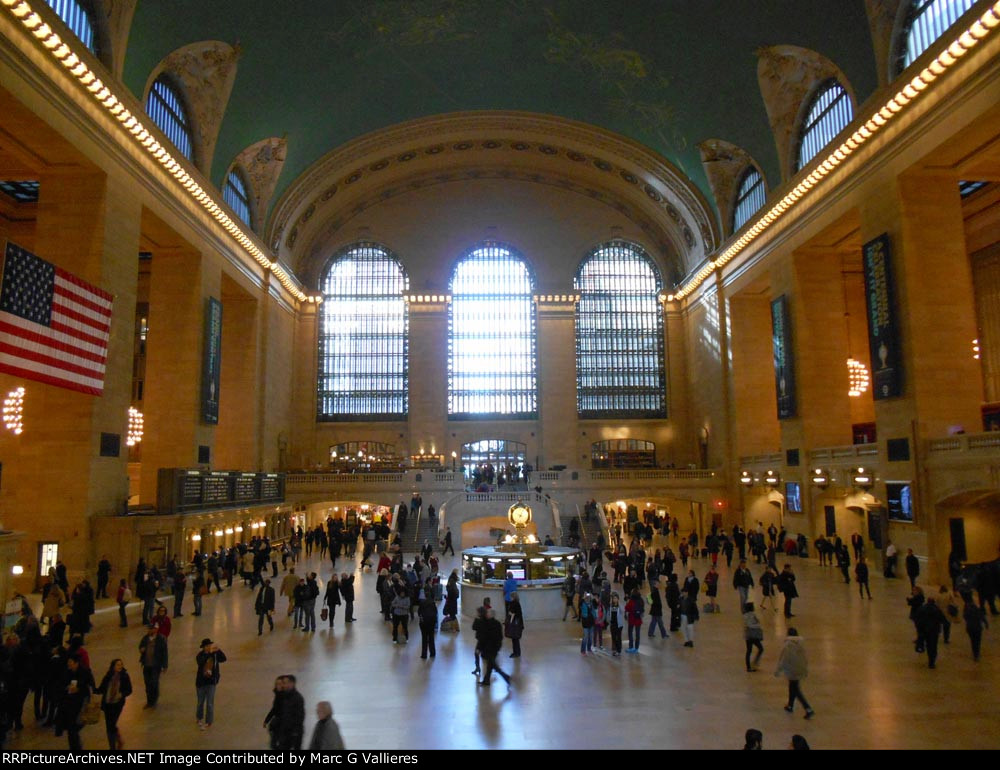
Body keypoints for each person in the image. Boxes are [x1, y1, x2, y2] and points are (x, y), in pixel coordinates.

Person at [56, 654, 94, 750]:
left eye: (71, 663)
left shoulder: (84, 672)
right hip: (69, 703)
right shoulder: (66, 672)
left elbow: (90, 685)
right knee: (71, 729)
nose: (69, 664)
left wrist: (79, 689)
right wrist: (66, 688)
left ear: (76, 663)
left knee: (74, 727)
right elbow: (61, 684)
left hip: (80, 703)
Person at [775, 627, 813, 719]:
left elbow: (784, 659)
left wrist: (778, 670)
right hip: (800, 668)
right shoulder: (801, 643)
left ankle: (808, 708)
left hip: (792, 669)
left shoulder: (788, 645)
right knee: (792, 687)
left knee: (795, 689)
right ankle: (790, 705)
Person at [96, 658, 132, 750]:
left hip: (117, 704)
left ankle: (113, 746)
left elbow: (129, 690)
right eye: (117, 665)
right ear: (113, 666)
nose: (120, 666)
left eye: (121, 665)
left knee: (111, 725)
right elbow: (101, 688)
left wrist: (122, 694)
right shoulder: (108, 676)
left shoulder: (124, 676)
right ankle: (116, 742)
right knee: (110, 726)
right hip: (107, 704)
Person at [195, 638, 227, 730]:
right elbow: (201, 663)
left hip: (211, 682)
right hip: (201, 683)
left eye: (210, 645)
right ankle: (199, 717)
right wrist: (209, 654)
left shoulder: (215, 654)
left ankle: (209, 721)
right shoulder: (200, 655)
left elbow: (224, 659)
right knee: (200, 702)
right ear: (204, 647)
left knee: (210, 703)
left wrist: (219, 650)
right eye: (207, 646)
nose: (209, 647)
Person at [478, 608, 511, 687]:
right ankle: (486, 680)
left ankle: (506, 677)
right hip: (494, 648)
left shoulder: (488, 624)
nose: (486, 614)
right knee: (490, 665)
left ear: (489, 615)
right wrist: (498, 646)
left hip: (489, 649)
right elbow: (500, 637)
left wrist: (479, 648)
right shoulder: (497, 623)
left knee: (493, 665)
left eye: (488, 613)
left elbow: (484, 637)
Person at [138, 624, 168, 708]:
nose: (150, 630)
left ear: (156, 629)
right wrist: (141, 649)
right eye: (149, 629)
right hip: (147, 665)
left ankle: (154, 699)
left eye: (152, 629)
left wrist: (165, 665)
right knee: (147, 684)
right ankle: (149, 701)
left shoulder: (161, 639)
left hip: (156, 666)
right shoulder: (145, 638)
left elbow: (165, 653)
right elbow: (140, 646)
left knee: (154, 683)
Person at [917, 596, 947, 668]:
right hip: (934, 631)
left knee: (928, 645)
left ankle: (929, 657)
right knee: (933, 646)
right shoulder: (937, 610)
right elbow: (943, 619)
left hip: (925, 630)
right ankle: (932, 661)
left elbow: (918, 619)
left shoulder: (922, 609)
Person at [963, 596, 988, 661]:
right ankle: (976, 653)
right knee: (978, 641)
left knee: (973, 641)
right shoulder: (978, 611)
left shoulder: (967, 612)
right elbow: (983, 619)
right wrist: (986, 625)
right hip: (978, 628)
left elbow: (965, 617)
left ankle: (975, 653)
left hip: (970, 628)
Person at [742, 601, 764, 672]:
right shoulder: (754, 615)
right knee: (760, 649)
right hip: (754, 635)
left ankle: (748, 667)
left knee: (748, 651)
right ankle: (755, 663)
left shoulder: (745, 616)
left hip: (748, 635)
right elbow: (758, 622)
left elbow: (745, 625)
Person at [418, 590, 438, 659]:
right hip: (431, 623)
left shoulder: (422, 603)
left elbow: (419, 613)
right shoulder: (433, 603)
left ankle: (424, 654)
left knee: (424, 639)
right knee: (431, 638)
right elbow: (435, 613)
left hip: (423, 623)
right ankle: (432, 653)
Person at [505, 591, 524, 658]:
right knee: (515, 639)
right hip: (518, 623)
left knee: (515, 639)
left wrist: (509, 621)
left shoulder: (513, 604)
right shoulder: (517, 603)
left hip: (515, 624)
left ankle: (516, 653)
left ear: (513, 597)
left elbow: (512, 614)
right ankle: (516, 652)